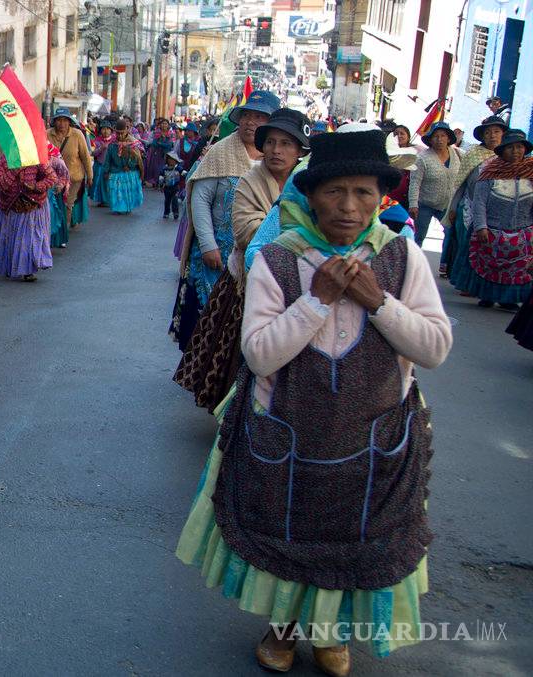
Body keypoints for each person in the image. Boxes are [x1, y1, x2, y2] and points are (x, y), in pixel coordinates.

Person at [176, 129, 452, 675]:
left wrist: (379, 302)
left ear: (382, 198)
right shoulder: (278, 261)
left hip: (374, 439)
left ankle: (332, 635)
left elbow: (435, 347)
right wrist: (317, 300)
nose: (349, 207)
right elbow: (259, 355)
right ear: (312, 194)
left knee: (357, 534)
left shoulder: (401, 259)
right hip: (290, 431)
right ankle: (280, 628)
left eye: (364, 193)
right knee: (288, 530)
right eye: (335, 193)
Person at [173, 108, 310, 412]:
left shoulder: (307, 184)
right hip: (248, 281)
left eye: (286, 143)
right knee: (239, 353)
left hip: (300, 286)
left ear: (300, 150)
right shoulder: (249, 181)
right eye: (271, 142)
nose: (276, 150)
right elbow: (248, 231)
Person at [170, 90, 278, 350]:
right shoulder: (220, 152)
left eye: (260, 117)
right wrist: (208, 244)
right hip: (216, 252)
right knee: (208, 320)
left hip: (259, 256)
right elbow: (200, 199)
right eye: (247, 116)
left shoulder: (277, 159)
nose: (251, 123)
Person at [451, 129, 533, 310]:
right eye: (510, 148)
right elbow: (479, 202)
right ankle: (486, 296)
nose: (515, 151)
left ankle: (509, 299)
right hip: (491, 229)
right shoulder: (489, 172)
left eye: (519, 147)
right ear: (503, 151)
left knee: (516, 268)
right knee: (489, 265)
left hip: (523, 232)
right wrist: (481, 226)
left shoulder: (530, 172)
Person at [443, 115, 507, 279]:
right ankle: (464, 280)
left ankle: (483, 281)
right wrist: (454, 207)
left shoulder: (508, 157)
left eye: (496, 131)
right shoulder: (473, 154)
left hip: (497, 211)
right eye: (488, 132)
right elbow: (461, 183)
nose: (492, 135)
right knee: (467, 245)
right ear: (483, 136)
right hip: (469, 206)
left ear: (503, 134)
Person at [0, 153, 56, 282]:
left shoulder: (37, 158)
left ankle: (27, 270)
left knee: (29, 240)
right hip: (9, 208)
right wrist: (15, 169)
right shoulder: (4, 160)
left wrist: (36, 187)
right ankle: (10, 268)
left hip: (32, 208)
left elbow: (51, 178)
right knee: (7, 239)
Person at [408, 122, 461, 246]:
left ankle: (444, 263)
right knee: (418, 237)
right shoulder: (422, 158)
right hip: (425, 205)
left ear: (448, 138)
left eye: (443, 136)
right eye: (436, 136)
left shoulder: (457, 154)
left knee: (450, 235)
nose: (439, 139)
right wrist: (413, 204)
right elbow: (414, 183)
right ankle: (412, 262)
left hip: (448, 205)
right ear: (430, 140)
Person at [46, 108, 93, 230]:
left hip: (73, 178)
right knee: (53, 204)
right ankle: (54, 228)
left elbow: (86, 157)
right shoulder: (47, 134)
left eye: (65, 120)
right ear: (54, 121)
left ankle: (62, 230)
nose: (62, 124)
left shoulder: (77, 135)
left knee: (68, 204)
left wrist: (90, 176)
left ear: (69, 121)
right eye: (59, 120)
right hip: (52, 178)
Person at [102, 119, 144, 215]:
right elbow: (108, 159)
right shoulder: (112, 144)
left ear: (127, 130)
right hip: (115, 171)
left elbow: (137, 159)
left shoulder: (133, 143)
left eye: (122, 133)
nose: (120, 136)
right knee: (116, 192)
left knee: (127, 191)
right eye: (118, 133)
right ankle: (118, 208)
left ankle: (127, 208)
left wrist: (129, 165)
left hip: (129, 171)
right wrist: (106, 171)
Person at [47, 144, 71, 248]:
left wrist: (60, 184)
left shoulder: (52, 151)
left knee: (56, 214)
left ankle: (59, 240)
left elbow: (64, 172)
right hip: (40, 192)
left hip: (55, 192)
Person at [90, 118, 115, 207]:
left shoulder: (114, 141)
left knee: (109, 183)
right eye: (103, 129)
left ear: (111, 131)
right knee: (99, 184)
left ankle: (109, 200)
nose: (105, 131)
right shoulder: (96, 141)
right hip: (99, 165)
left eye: (107, 129)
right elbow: (92, 153)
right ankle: (103, 200)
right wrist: (101, 148)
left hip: (111, 166)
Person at [144, 119, 176, 188]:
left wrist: (160, 143)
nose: (164, 125)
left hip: (167, 155)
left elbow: (170, 145)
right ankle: (156, 183)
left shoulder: (171, 133)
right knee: (156, 169)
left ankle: (165, 183)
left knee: (166, 169)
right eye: (163, 123)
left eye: (166, 123)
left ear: (168, 125)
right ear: (160, 125)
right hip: (157, 154)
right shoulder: (156, 133)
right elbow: (154, 144)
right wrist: (163, 143)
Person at [160, 151, 185, 220]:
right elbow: (161, 177)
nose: (171, 161)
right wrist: (161, 185)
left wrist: (187, 174)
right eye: (169, 159)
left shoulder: (178, 168)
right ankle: (166, 212)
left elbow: (183, 173)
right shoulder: (165, 168)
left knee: (175, 200)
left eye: (173, 160)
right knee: (167, 200)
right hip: (167, 187)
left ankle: (175, 212)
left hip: (175, 187)